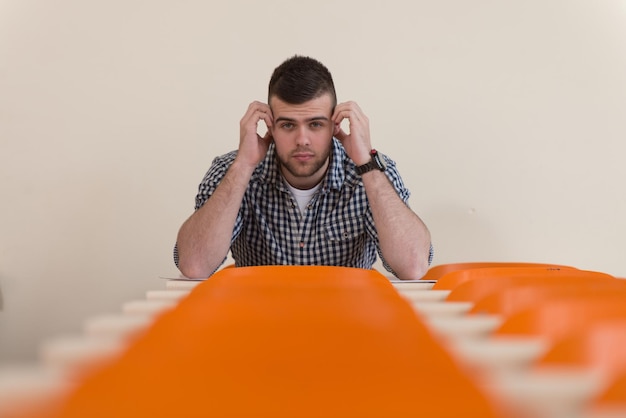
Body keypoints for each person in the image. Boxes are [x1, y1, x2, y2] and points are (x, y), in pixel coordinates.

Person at [174, 55, 432, 280]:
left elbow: (413, 266)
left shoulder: (372, 173)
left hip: (347, 324)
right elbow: (194, 265)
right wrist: (243, 165)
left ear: (335, 125)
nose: (302, 139)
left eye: (316, 124)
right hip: (258, 323)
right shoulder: (231, 170)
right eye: (288, 125)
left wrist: (366, 164)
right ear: (270, 126)